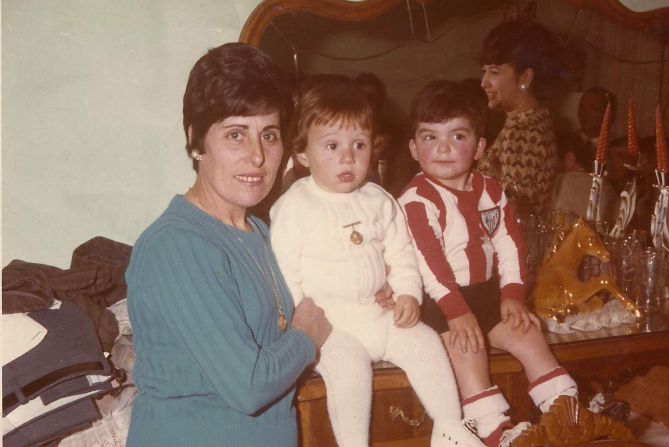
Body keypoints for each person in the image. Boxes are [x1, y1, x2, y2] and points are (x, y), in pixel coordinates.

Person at [125, 43, 334, 446]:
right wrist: (306, 337)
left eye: (269, 135)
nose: (257, 156)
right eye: (236, 135)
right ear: (195, 142)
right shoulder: (176, 245)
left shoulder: (262, 231)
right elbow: (249, 385)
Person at [270, 82, 484, 447]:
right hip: (331, 326)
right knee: (350, 374)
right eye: (332, 146)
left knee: (426, 341)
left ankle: (449, 427)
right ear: (303, 154)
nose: (348, 158)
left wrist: (407, 294)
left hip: (377, 314)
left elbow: (402, 252)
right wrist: (300, 320)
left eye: (359, 145)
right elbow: (285, 270)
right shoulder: (295, 206)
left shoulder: (379, 199)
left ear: (374, 146)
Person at [399, 80, 578, 447]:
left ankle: (566, 412)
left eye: (458, 136)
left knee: (528, 333)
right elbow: (430, 264)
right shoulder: (417, 200)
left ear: (480, 147)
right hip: (439, 301)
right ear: (414, 148)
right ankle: (494, 429)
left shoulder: (491, 190)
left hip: (486, 293)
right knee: (469, 349)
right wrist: (456, 313)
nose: (444, 148)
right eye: (430, 138)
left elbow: (510, 244)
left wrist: (513, 296)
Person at [476, 19, 564, 218]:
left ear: (525, 78)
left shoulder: (523, 131)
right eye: (484, 71)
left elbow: (514, 214)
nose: (484, 82)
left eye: (494, 72)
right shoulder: (533, 119)